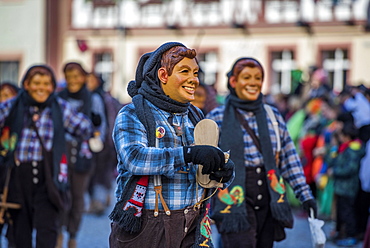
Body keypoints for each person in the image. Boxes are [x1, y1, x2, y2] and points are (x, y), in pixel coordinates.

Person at [108, 42, 234, 248]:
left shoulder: (196, 115)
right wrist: (188, 154)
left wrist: (223, 171)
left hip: (194, 224)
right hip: (146, 226)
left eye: (195, 72)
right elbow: (135, 158)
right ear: (163, 75)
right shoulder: (132, 113)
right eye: (185, 71)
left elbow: (203, 170)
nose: (194, 79)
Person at [206, 57, 316, 248]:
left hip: (269, 198)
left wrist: (305, 195)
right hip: (232, 201)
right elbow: (203, 167)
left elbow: (289, 159)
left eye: (258, 77)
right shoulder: (216, 118)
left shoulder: (273, 116)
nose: (253, 83)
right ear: (233, 81)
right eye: (246, 77)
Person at [0, 65, 93, 248]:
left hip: (49, 178)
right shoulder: (12, 106)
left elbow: (85, 128)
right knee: (20, 233)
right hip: (18, 178)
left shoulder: (59, 107)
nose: (41, 88)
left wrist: (90, 121)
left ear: (52, 86)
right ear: (26, 84)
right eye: (36, 83)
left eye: (46, 83)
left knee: (47, 231)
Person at [57, 62, 107, 248]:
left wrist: (96, 140)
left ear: (84, 77)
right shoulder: (58, 98)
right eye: (69, 75)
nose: (73, 80)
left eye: (77, 75)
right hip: (60, 152)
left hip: (83, 153)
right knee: (61, 194)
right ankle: (59, 231)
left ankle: (72, 235)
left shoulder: (93, 99)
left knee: (77, 197)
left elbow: (101, 126)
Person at [86, 73, 123, 215]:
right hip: (109, 141)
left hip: (101, 141)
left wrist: (100, 138)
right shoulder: (108, 98)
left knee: (97, 173)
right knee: (104, 173)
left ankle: (98, 202)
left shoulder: (96, 98)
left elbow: (102, 121)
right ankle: (103, 199)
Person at [326, 123, 365, 246]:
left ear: (347, 136)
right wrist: (333, 149)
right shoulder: (343, 148)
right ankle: (340, 233)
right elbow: (332, 161)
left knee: (347, 212)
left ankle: (350, 235)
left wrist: (335, 172)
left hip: (348, 188)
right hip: (340, 187)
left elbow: (350, 169)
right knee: (340, 212)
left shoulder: (353, 150)